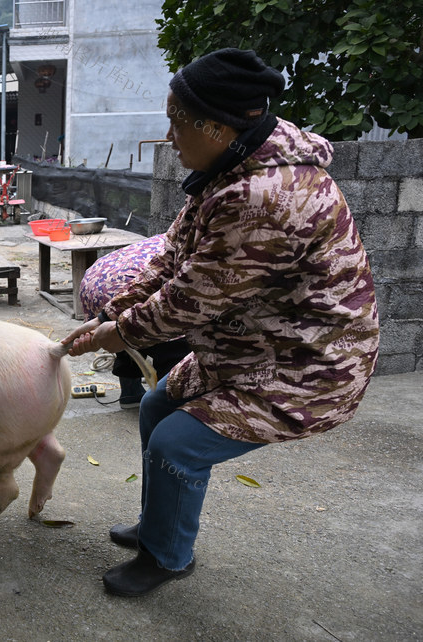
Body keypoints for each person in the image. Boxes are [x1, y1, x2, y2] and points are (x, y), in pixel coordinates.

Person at [63, 49, 379, 597]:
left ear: (218, 125)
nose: (169, 135)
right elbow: (169, 259)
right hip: (250, 347)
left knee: (176, 445)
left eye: (177, 122)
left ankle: (166, 555)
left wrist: (114, 335)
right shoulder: (227, 170)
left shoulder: (269, 197)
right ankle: (161, 523)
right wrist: (111, 313)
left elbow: (189, 301)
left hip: (307, 363)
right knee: (159, 404)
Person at [78, 234, 191, 408]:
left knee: (121, 334)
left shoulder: (172, 236)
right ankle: (167, 402)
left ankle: (130, 393)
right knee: (171, 347)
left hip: (95, 278)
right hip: (131, 284)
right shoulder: (197, 246)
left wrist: (103, 318)